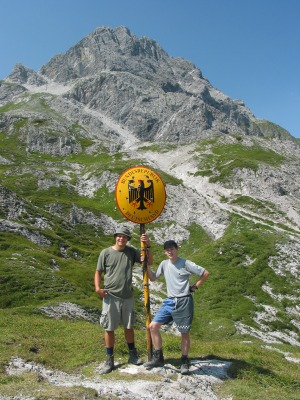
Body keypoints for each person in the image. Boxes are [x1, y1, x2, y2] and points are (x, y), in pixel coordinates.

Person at [144, 240, 209, 374]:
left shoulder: (185, 263)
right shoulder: (164, 264)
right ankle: (158, 357)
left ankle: (184, 361)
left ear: (176, 249)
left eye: (172, 249)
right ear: (165, 251)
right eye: (167, 250)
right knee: (153, 326)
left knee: (184, 332)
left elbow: (205, 273)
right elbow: (153, 278)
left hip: (184, 300)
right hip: (170, 301)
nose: (170, 251)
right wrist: (145, 264)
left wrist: (195, 286)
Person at [94, 225, 153, 374]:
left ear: (127, 239)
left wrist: (147, 245)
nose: (121, 238)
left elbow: (148, 261)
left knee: (129, 326)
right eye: (119, 236)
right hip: (110, 296)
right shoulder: (105, 253)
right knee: (109, 327)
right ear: (115, 237)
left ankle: (132, 355)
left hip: (127, 296)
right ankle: (109, 360)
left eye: (124, 236)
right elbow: (98, 271)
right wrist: (97, 288)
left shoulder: (131, 252)